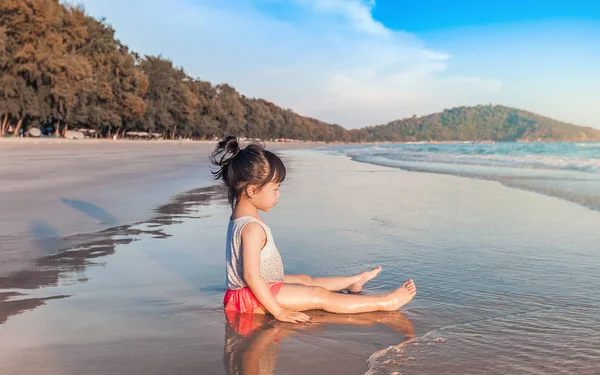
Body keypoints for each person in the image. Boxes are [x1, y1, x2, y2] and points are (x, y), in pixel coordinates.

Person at [211, 136, 416, 323]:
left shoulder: (241, 217)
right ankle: (384, 302)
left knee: (304, 280)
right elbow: (251, 276)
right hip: (251, 296)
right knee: (319, 295)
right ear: (252, 190)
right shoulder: (251, 228)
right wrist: (278, 311)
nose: (278, 195)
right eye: (275, 189)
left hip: (257, 288)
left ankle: (354, 281)